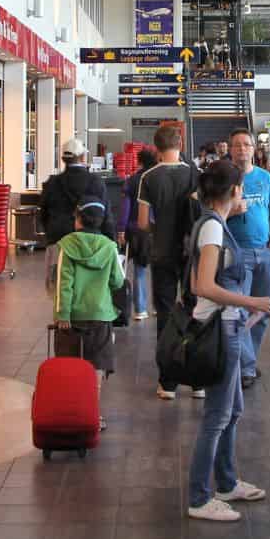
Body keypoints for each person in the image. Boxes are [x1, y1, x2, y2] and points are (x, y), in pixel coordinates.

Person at [186, 160, 270, 522]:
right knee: (217, 416)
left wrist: (243, 312)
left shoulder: (215, 225)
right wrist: (250, 302)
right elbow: (204, 286)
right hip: (221, 331)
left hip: (230, 324)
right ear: (233, 191)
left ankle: (225, 482)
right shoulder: (212, 229)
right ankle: (198, 497)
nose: (248, 199)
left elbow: (198, 286)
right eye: (243, 191)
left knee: (233, 410)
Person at [138, 124, 203, 400]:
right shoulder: (195, 174)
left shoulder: (148, 177)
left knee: (165, 315)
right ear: (180, 145)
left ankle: (168, 383)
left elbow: (142, 222)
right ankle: (198, 381)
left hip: (162, 252)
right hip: (192, 252)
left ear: (156, 148)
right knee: (195, 312)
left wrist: (159, 230)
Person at [53, 201, 125, 428]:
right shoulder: (109, 247)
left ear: (78, 221)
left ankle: (71, 413)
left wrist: (62, 314)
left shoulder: (67, 245)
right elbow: (118, 281)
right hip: (101, 314)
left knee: (69, 364)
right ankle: (93, 414)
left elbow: (63, 284)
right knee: (96, 365)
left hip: (73, 316)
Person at [225, 129, 270, 389]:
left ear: (253, 149)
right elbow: (213, 213)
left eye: (246, 144)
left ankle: (248, 359)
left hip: (265, 252)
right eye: (237, 145)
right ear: (230, 149)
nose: (242, 149)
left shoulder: (265, 178)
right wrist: (233, 210)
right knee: (239, 309)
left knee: (262, 310)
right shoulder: (225, 177)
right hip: (238, 253)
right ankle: (246, 366)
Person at [39, 138, 113, 290]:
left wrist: (50, 235)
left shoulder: (52, 183)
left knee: (58, 286)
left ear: (63, 159)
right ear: (82, 157)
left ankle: (62, 312)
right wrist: (111, 241)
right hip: (91, 243)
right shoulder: (95, 181)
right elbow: (105, 215)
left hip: (58, 240)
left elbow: (43, 213)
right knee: (87, 287)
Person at [118, 147, 158, 321]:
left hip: (136, 230)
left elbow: (125, 207)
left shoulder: (132, 180)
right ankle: (158, 306)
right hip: (157, 229)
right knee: (158, 269)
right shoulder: (158, 178)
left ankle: (140, 309)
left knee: (139, 270)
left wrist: (121, 229)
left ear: (139, 161)